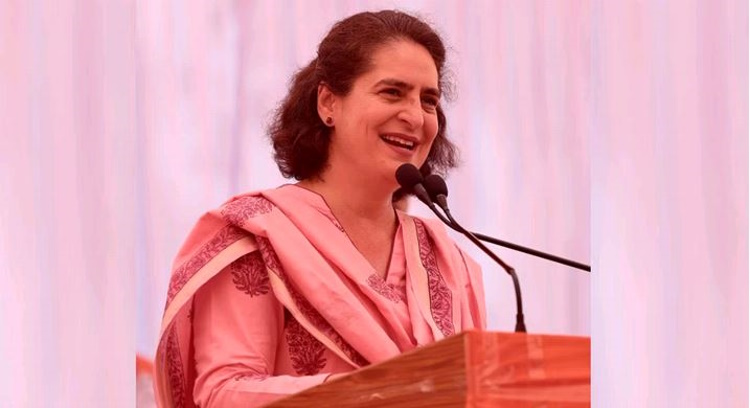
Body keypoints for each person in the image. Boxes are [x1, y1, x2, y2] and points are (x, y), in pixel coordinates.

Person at [154, 10, 486, 408]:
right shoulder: (256, 237)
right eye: (392, 92)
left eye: (428, 100)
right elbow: (225, 394)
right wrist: (376, 394)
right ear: (328, 103)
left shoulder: (450, 261)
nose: (415, 116)